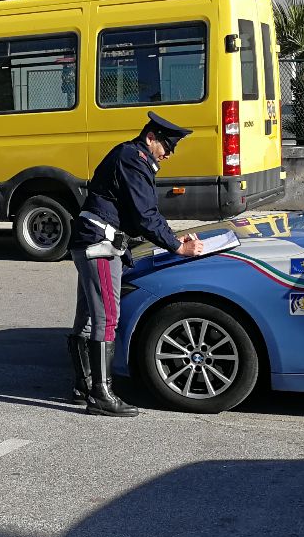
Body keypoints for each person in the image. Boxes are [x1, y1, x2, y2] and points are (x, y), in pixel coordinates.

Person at [67, 112, 204, 417]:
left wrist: (173, 237)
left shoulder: (129, 156)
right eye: (166, 146)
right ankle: (101, 395)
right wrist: (178, 246)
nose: (169, 153)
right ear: (151, 138)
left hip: (92, 241)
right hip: (99, 246)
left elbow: (138, 214)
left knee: (89, 316)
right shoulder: (133, 159)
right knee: (107, 318)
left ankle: (83, 387)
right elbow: (145, 214)